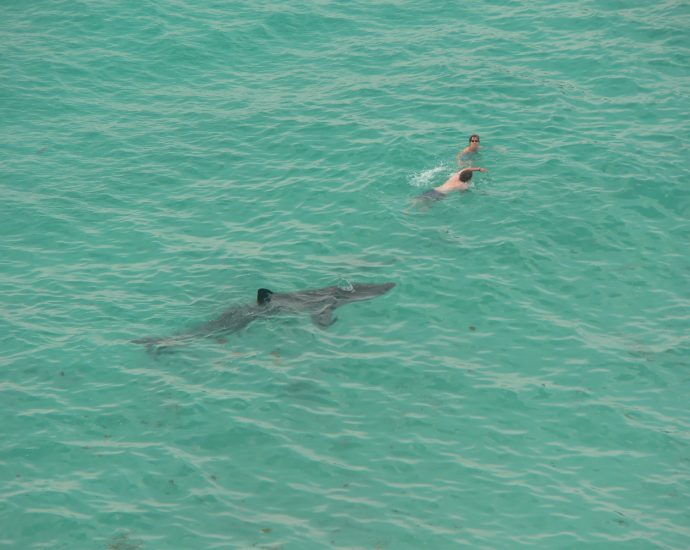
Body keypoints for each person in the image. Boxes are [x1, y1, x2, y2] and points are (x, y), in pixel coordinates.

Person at [415, 166, 488, 206]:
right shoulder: (463, 185)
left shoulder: (456, 176)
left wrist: (478, 169)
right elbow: (463, 193)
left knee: (417, 200)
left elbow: (467, 169)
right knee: (427, 206)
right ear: (468, 179)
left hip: (435, 190)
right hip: (441, 195)